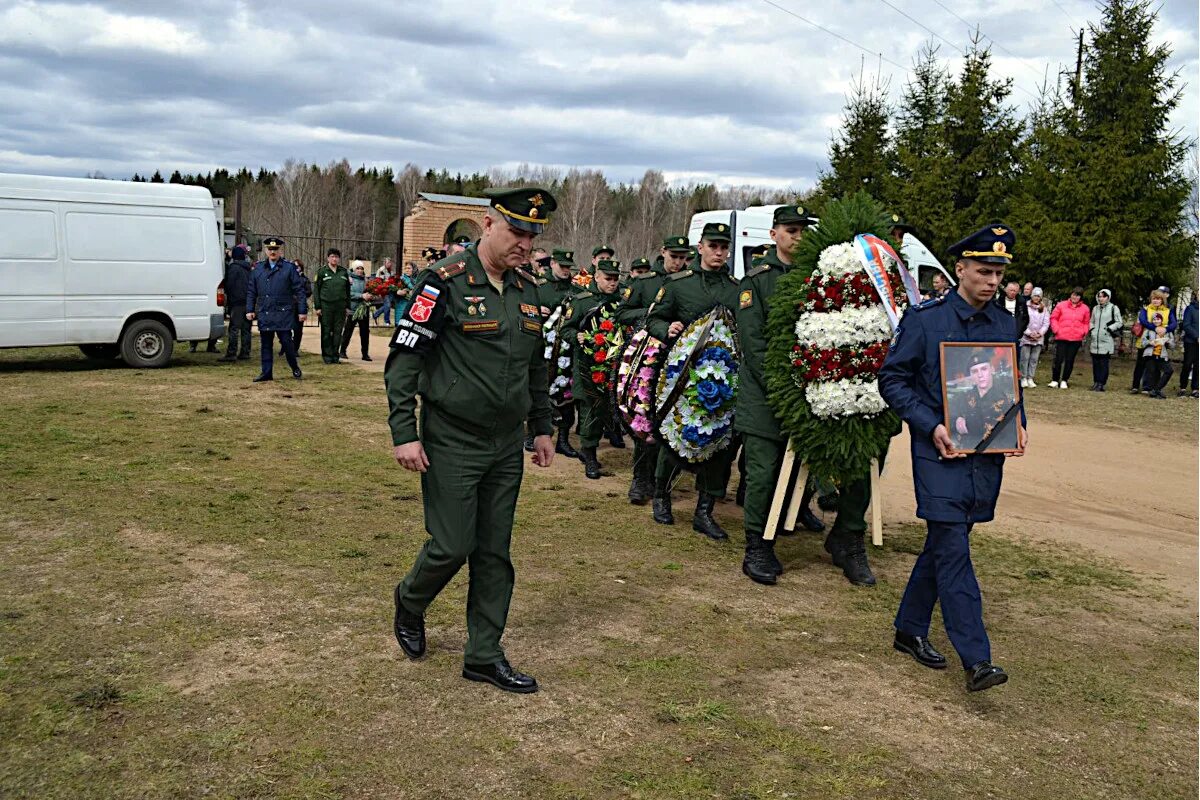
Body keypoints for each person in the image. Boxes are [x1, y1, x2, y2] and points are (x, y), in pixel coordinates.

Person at [386, 186, 556, 694]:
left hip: (505, 444)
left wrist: (543, 426)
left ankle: (483, 654)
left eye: (533, 236)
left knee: (493, 551)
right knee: (452, 545)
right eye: (516, 232)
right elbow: (405, 362)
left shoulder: (528, 291)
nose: (524, 244)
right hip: (452, 439)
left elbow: (535, 368)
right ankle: (410, 600)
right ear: (488, 225)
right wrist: (404, 433)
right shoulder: (443, 283)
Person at [878, 222, 1026, 693]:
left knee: (947, 542)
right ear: (959, 269)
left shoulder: (1004, 322)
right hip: (938, 453)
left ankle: (909, 628)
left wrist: (1018, 421)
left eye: (998, 274)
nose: (991, 281)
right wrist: (932, 425)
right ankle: (977, 660)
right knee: (954, 549)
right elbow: (892, 381)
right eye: (983, 271)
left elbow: (1008, 383)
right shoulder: (925, 319)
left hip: (985, 455)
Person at [737, 206, 850, 586]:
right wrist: (784, 390)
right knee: (763, 472)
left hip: (809, 394)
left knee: (801, 468)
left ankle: (785, 524)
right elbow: (754, 346)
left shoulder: (816, 277)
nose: (797, 237)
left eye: (802, 230)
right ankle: (756, 544)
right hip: (765, 397)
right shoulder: (758, 281)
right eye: (790, 230)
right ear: (773, 235)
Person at [646, 222, 740, 541]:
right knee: (675, 436)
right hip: (683, 380)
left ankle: (705, 510)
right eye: (713, 246)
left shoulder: (736, 288)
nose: (718, 252)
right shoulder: (678, 285)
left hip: (723, 380)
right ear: (699, 248)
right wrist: (665, 328)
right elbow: (653, 319)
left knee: (720, 443)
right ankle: (661, 495)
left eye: (723, 247)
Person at [560, 259, 623, 479]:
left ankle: (592, 449)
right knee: (589, 411)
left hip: (614, 366)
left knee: (607, 409)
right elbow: (565, 330)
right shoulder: (582, 301)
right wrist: (576, 337)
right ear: (596, 277)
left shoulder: (622, 302)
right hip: (587, 367)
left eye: (616, 279)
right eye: (608, 278)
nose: (612, 283)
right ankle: (590, 456)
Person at [536, 249, 580, 459]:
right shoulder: (537, 288)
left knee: (567, 396)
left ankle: (563, 439)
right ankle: (533, 434)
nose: (565, 270)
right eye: (562, 266)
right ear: (552, 263)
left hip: (566, 352)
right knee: (538, 391)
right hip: (541, 350)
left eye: (568, 267)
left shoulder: (577, 290)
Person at [245, 236, 305, 382]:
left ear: (280, 250)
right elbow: (251, 291)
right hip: (265, 312)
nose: (273, 252)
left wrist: (302, 310)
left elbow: (299, 290)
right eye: (270, 249)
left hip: (283, 313)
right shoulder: (258, 268)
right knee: (265, 344)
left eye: (275, 249)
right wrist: (249, 309)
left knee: (286, 343)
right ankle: (266, 373)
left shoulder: (289, 268)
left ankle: (294, 367)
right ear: (265, 250)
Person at [949, 355, 1015, 452]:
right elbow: (947, 416)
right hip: (965, 453)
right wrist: (955, 421)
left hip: (991, 454)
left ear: (992, 369)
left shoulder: (1006, 400)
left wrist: (969, 424)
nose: (980, 375)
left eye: (984, 369)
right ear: (971, 376)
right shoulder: (962, 398)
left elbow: (1010, 435)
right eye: (974, 371)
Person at [1132, 287, 1176, 394]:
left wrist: (1165, 329)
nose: (1155, 300)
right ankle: (1135, 386)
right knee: (1141, 364)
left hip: (1160, 341)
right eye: (1153, 298)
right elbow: (1143, 321)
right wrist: (1155, 328)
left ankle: (1150, 387)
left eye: (1158, 298)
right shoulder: (1145, 309)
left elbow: (1173, 324)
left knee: (1154, 366)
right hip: (1146, 339)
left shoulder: (1167, 310)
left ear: (1162, 300)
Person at [313, 248, 350, 364]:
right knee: (327, 331)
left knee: (338, 331)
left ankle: (335, 355)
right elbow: (316, 291)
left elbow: (347, 291)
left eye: (336, 257)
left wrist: (347, 306)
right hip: (326, 306)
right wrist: (318, 307)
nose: (334, 259)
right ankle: (327, 356)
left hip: (340, 307)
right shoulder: (321, 272)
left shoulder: (343, 272)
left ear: (339, 259)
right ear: (328, 258)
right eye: (332, 256)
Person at [1048, 287, 1089, 389]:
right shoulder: (1061, 305)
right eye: (1074, 294)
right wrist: (1057, 330)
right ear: (1071, 295)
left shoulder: (1085, 308)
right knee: (1058, 359)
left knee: (1070, 361)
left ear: (1081, 297)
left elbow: (1086, 323)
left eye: (1078, 295)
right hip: (1061, 337)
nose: (1075, 297)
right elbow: (1053, 318)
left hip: (1075, 338)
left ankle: (1064, 380)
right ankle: (1055, 380)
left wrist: (1083, 332)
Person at [220, 245, 253, 361]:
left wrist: (228, 298)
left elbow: (229, 285)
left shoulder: (233, 268)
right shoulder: (248, 268)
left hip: (237, 302)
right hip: (248, 302)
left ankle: (231, 353)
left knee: (234, 328)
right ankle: (245, 352)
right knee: (246, 329)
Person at [1087, 289, 1122, 391]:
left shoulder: (1113, 308)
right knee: (1095, 363)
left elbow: (1119, 322)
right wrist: (1092, 329)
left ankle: (1101, 383)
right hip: (1095, 339)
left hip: (1106, 339)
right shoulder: (1095, 308)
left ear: (1108, 297)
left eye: (1103, 296)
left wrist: (1110, 328)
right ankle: (1096, 382)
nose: (1101, 298)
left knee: (1103, 363)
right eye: (1099, 296)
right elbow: (1091, 321)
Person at [340, 260, 375, 361]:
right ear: (353, 269)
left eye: (361, 268)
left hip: (364, 309)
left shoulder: (366, 280)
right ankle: (342, 351)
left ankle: (365, 354)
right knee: (348, 331)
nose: (360, 270)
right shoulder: (349, 279)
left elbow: (370, 291)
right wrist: (361, 296)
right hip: (353, 309)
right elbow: (348, 293)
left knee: (365, 332)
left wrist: (370, 295)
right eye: (358, 268)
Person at [1018, 288, 1049, 387]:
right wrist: (1029, 333)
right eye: (1035, 295)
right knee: (1024, 358)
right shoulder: (1025, 306)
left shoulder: (1044, 309)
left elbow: (1046, 323)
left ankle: (1030, 378)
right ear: (1032, 296)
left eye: (1038, 296)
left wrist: (1040, 333)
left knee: (1034, 359)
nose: (1036, 298)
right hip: (1026, 337)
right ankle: (1023, 377)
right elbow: (1021, 321)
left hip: (1038, 338)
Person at [1140, 313, 1173, 399]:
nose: (1156, 321)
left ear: (1161, 320)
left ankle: (1157, 389)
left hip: (1162, 355)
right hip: (1150, 355)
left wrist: (1167, 342)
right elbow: (1142, 342)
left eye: (1158, 319)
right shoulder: (1148, 329)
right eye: (1154, 319)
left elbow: (1173, 345)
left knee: (1169, 371)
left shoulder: (1166, 330)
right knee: (1153, 373)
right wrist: (1150, 342)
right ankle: (1154, 391)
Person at [283, 259, 312, 356]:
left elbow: (308, 291)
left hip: (300, 307)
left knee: (298, 330)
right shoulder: (286, 278)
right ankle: (286, 346)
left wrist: (299, 295)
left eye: (298, 266)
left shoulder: (305, 279)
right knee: (285, 329)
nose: (296, 268)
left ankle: (295, 349)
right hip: (287, 307)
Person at [1179, 296, 1198, 398]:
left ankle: (1195, 388)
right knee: (1187, 364)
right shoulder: (1190, 309)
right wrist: (1197, 336)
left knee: (1198, 366)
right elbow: (1186, 325)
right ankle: (1183, 387)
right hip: (1190, 342)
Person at [373, 258, 395, 326]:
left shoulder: (391, 270)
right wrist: (387, 283)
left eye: (390, 262)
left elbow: (392, 279)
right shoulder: (381, 270)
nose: (389, 264)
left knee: (387, 305)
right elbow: (379, 281)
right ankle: (387, 321)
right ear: (384, 263)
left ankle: (375, 314)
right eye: (388, 263)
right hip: (383, 290)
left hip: (390, 290)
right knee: (388, 305)